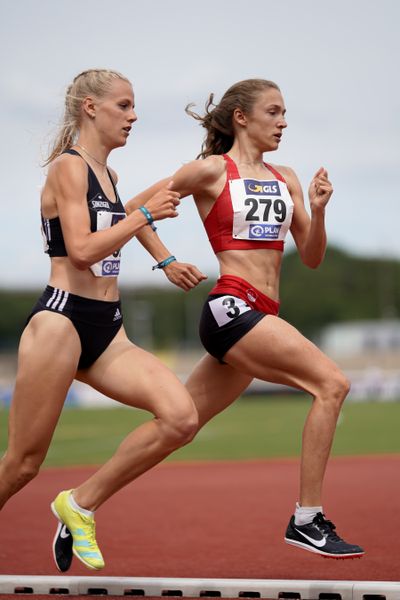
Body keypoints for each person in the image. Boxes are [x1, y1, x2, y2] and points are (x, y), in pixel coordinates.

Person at [130, 78, 365, 559]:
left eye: (285, 114)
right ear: (242, 117)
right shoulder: (211, 170)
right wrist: (166, 260)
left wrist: (318, 213)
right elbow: (134, 209)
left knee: (182, 424)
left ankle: (79, 502)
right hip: (232, 305)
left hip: (262, 313)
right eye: (274, 112)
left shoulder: (287, 178)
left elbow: (313, 257)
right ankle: (307, 518)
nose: (283, 122)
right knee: (332, 384)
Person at [0, 69, 206, 573]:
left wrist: (164, 259)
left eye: (133, 107)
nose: (133, 116)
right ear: (90, 107)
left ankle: (80, 503)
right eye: (125, 105)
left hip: (106, 327)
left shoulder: (109, 175)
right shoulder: (68, 169)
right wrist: (145, 217)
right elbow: (84, 251)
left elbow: (123, 217)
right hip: (61, 322)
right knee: (24, 463)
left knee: (180, 418)